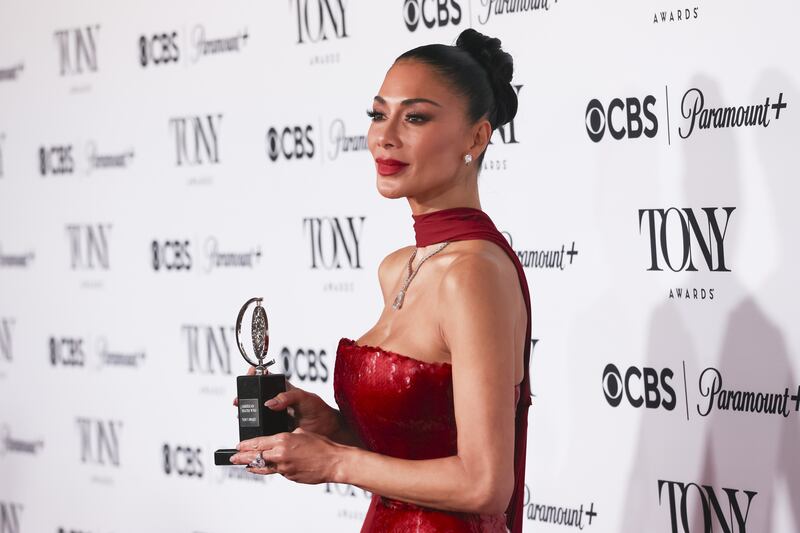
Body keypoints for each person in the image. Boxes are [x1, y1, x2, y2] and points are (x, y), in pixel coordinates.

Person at [231, 28, 533, 533]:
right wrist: (334, 427)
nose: (384, 136)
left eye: (415, 117)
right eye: (378, 114)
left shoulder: (472, 273)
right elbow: (425, 442)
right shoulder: (399, 266)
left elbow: (485, 484)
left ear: (476, 137)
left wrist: (335, 462)